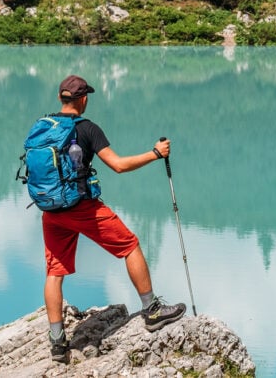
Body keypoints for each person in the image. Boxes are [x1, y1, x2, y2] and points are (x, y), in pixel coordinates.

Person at [42, 74, 186, 363]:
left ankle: (57, 343)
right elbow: (118, 165)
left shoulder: (42, 126)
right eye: (86, 97)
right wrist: (155, 154)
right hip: (81, 207)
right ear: (82, 100)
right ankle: (152, 310)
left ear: (60, 98)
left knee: (54, 272)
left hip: (50, 210)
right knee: (130, 245)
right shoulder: (87, 128)